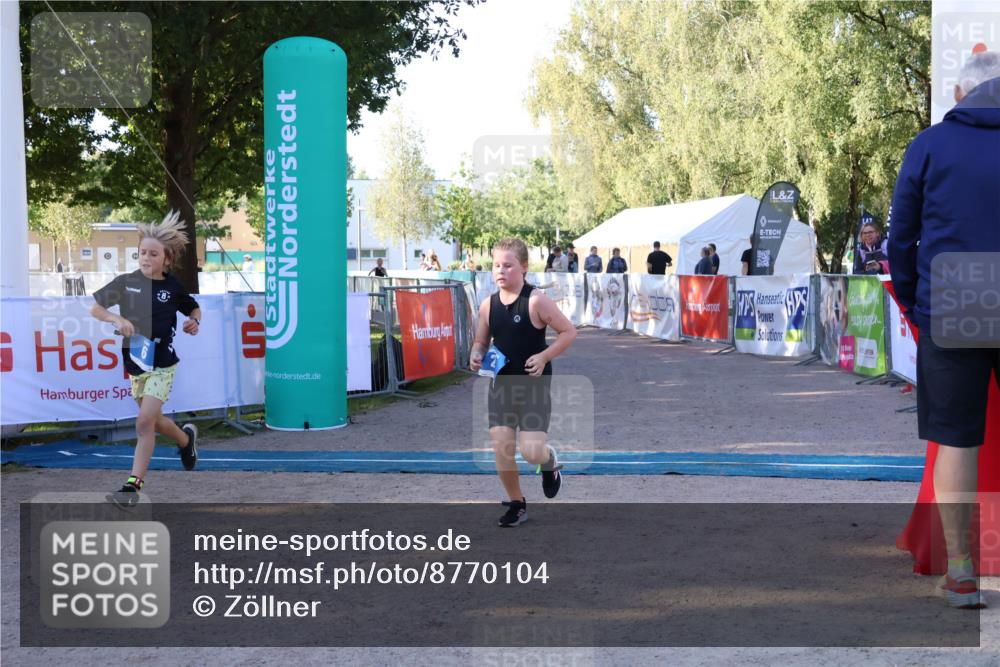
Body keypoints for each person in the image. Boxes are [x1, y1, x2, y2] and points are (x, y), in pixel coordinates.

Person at [887, 50, 1000, 610]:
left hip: (953, 296)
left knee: (956, 438)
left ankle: (961, 571)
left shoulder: (928, 145)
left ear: (961, 94)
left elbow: (899, 239)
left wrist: (915, 301)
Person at [90, 211, 202, 507]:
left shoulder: (173, 287)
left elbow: (194, 308)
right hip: (136, 364)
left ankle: (132, 487)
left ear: (167, 259)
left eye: (153, 254)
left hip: (163, 364)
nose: (146, 258)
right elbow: (95, 309)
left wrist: (194, 322)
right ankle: (185, 440)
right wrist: (115, 319)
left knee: (143, 423)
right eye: (142, 253)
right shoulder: (126, 282)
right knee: (154, 421)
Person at [469, 237, 577, 527]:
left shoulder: (536, 300)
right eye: (496, 265)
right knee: (502, 446)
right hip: (501, 384)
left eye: (508, 265)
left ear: (524, 267)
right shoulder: (487, 305)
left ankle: (548, 461)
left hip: (533, 386)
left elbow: (568, 332)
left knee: (531, 452)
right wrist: (476, 355)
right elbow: (481, 342)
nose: (500, 271)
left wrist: (543, 357)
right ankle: (517, 504)